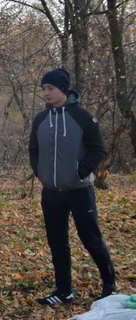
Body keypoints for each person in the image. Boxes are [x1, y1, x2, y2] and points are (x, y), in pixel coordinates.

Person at [29, 68, 117, 305]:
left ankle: (109, 285)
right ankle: (63, 291)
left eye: (50, 88)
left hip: (79, 191)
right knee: (57, 242)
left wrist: (79, 171)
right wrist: (41, 172)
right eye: (44, 89)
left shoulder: (82, 117)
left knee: (90, 238)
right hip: (51, 193)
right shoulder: (41, 119)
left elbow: (98, 149)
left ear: (63, 90)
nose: (46, 93)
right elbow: (33, 149)